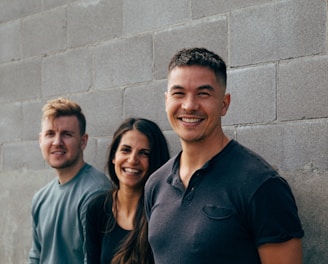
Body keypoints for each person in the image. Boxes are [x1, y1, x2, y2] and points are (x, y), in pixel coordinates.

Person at [144, 47, 304, 264]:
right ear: (166, 101)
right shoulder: (156, 184)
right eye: (178, 93)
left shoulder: (262, 185)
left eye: (203, 94)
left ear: (224, 104)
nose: (189, 105)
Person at [28, 97, 111, 264]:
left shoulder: (96, 192)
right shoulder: (40, 198)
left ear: (83, 141)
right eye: (50, 134)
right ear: (40, 140)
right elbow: (36, 256)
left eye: (66, 134)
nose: (57, 142)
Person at [85, 117, 170, 264]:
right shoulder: (97, 207)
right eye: (126, 150)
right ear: (114, 156)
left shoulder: (164, 212)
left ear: (155, 161)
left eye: (144, 153)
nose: (132, 160)